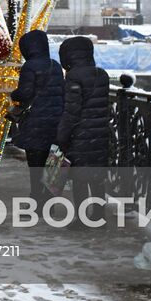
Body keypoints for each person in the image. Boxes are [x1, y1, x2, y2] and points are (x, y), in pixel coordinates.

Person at [55, 35, 110, 223]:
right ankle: (99, 215)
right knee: (96, 177)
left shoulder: (73, 77)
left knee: (79, 178)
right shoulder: (102, 75)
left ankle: (82, 218)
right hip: (100, 134)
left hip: (80, 135)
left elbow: (71, 111)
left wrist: (62, 136)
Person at [10, 30, 65, 204]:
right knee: (50, 165)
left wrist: (13, 94)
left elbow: (25, 93)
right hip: (54, 122)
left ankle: (36, 201)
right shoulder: (55, 65)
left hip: (35, 122)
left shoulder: (30, 66)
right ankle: (48, 201)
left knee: (35, 164)